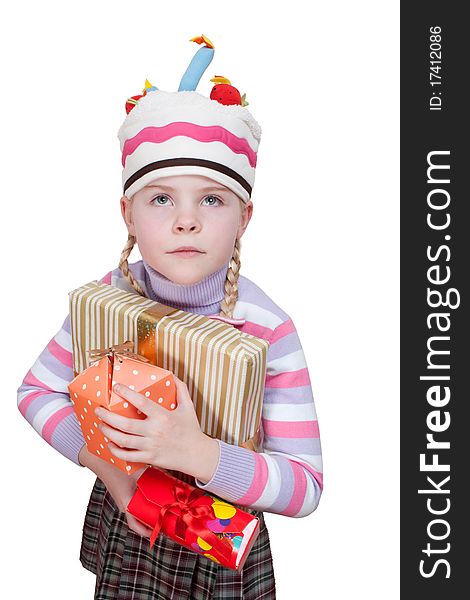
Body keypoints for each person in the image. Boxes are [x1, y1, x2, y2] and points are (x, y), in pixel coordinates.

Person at [17, 34, 323, 600]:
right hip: (130, 514)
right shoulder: (108, 296)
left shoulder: (267, 328)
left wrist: (193, 453)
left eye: (211, 199)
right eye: (161, 199)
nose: (186, 221)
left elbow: (305, 487)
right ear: (127, 214)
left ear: (244, 216)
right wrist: (115, 475)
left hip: (218, 542)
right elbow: (36, 393)